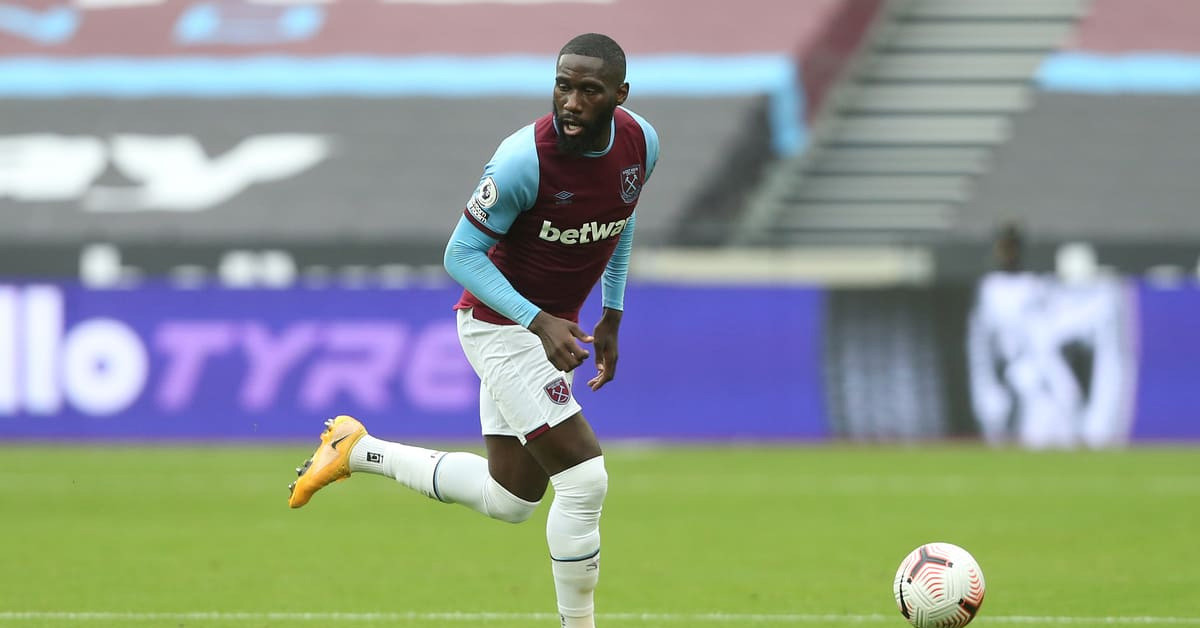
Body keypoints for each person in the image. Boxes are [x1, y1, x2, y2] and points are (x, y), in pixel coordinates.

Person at [286, 32, 659, 628]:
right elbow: (459, 255)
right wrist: (538, 321)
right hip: (500, 327)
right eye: (563, 86)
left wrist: (612, 311)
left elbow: (622, 217)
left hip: (548, 330)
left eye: (589, 91)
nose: (571, 103)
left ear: (620, 94)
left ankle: (357, 449)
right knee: (585, 480)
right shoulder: (523, 161)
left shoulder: (641, 142)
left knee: (509, 499)